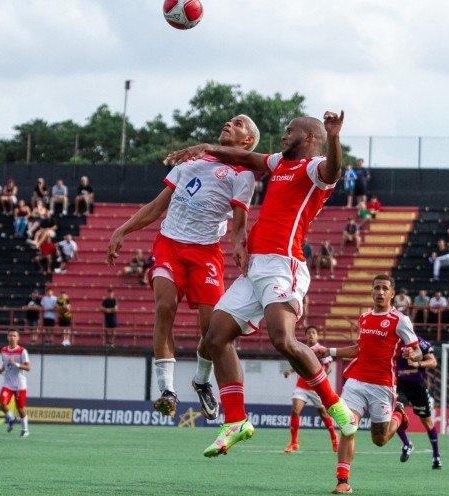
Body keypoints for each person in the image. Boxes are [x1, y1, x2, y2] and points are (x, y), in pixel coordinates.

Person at [165, 111, 358, 458]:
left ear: (309, 138)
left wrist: (334, 137)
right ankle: (236, 421)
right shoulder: (279, 164)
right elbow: (240, 156)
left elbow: (334, 169)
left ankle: (335, 405)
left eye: (289, 131)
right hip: (255, 267)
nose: (283, 136)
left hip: (284, 265)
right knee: (215, 337)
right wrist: (204, 147)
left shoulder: (313, 168)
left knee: (283, 340)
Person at [109, 115, 259, 422]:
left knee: (212, 330)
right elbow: (156, 206)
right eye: (228, 121)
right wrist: (121, 230)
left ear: (247, 141)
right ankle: (167, 390)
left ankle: (202, 381)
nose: (229, 123)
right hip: (169, 245)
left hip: (206, 253)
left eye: (239, 123)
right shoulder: (191, 160)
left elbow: (239, 224)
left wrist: (239, 248)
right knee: (165, 306)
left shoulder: (243, 175)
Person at [314, 274, 423, 494]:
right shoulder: (364, 318)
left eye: (384, 288)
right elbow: (359, 349)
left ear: (392, 293)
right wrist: (329, 351)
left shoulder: (399, 320)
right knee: (348, 426)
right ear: (371, 292)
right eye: (376, 288)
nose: (380, 292)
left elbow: (418, 351)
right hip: (356, 382)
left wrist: (414, 354)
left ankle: (399, 416)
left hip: (382, 386)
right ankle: (342, 481)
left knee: (380, 440)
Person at [281, 325, 340, 454]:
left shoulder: (321, 350)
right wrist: (290, 371)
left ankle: (334, 438)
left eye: (313, 333)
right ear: (306, 336)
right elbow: (298, 364)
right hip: (302, 384)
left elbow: (328, 367)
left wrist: (321, 377)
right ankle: (294, 442)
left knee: (324, 414)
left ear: (317, 336)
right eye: (308, 333)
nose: (311, 335)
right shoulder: (302, 349)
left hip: (316, 386)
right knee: (295, 410)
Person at [394, 337, 442, 469]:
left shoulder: (420, 343)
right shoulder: (392, 341)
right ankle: (406, 443)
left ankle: (436, 456)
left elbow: (433, 362)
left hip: (417, 387)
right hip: (399, 385)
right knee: (394, 413)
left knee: (426, 422)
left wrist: (418, 364)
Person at [0, 329, 31, 438]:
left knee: (20, 408)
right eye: (10, 335)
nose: (12, 337)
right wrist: (1, 370)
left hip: (20, 384)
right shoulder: (3, 350)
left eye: (14, 336)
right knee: (2, 403)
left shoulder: (22, 351)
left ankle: (25, 430)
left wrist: (16, 364)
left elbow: (28, 368)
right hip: (8, 384)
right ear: (7, 337)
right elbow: (5, 364)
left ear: (18, 338)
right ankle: (11, 418)